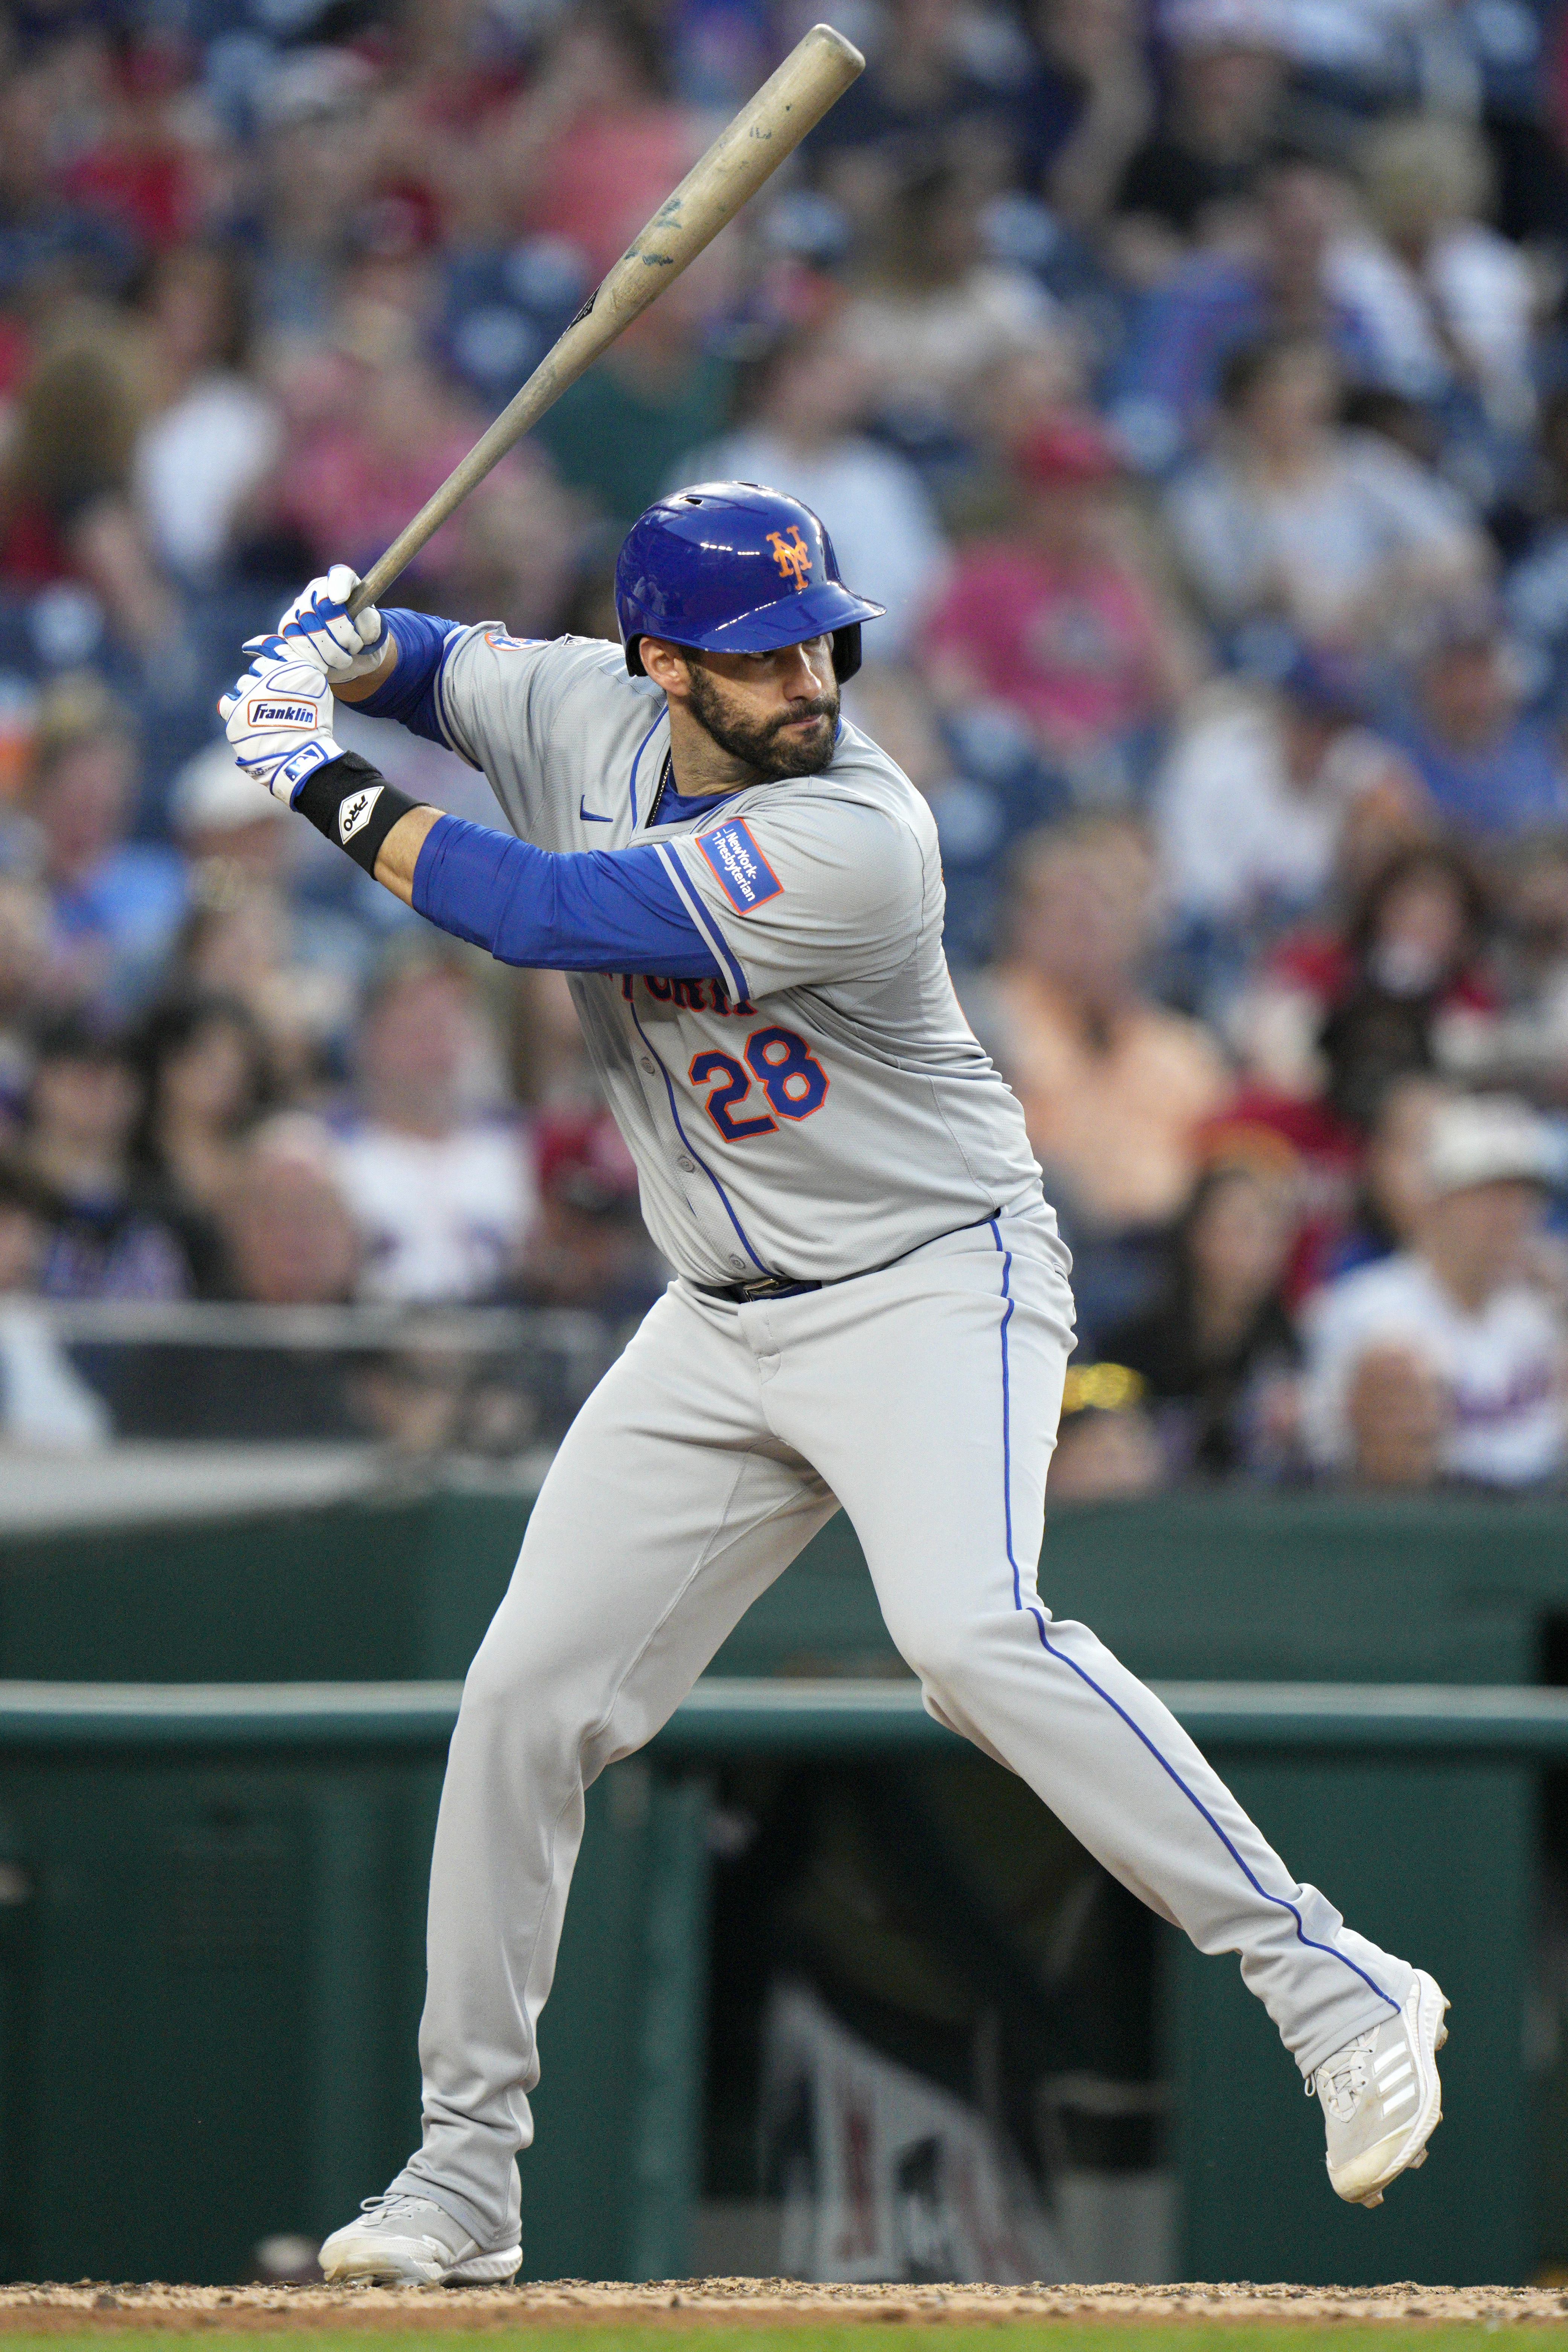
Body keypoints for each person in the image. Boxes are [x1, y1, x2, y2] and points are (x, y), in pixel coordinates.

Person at [221, 495, 1450, 2283]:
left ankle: (1329, 1982)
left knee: (967, 1633)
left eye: (821, 642)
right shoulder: (574, 700)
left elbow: (546, 912)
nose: (807, 677)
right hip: (717, 1317)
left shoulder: (859, 829)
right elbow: (435, 663)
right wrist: (344, 643)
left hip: (932, 1278)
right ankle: (463, 2178)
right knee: (517, 1702)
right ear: (660, 662)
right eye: (759, 654)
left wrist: (321, 780)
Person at [1302, 1092, 1566, 1488]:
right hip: (1417, 1529)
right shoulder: (1365, 1306)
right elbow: (1324, 1456)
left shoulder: (1543, 1308)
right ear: (1437, 1200)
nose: (1511, 1215)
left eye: (1522, 1197)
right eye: (1489, 1196)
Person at [1165, 333, 1486, 655]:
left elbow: (1461, 548)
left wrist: (1386, 587)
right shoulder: (1206, 494)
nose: (1301, 405)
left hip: (1385, 636)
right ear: (1247, 402)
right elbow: (1228, 596)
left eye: (1311, 392)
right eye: (1284, 392)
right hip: (1278, 662)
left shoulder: (1361, 461)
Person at [325, 943, 538, 1305]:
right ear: (371, 1037)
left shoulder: (520, 1147)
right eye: (416, 1024)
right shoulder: (329, 1151)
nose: (434, 1045)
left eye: (447, 1021)